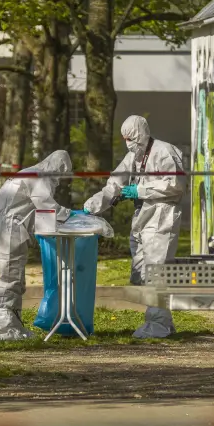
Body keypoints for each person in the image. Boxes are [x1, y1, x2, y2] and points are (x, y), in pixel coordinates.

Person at [84, 115, 186, 338]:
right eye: (125, 139)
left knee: (156, 270)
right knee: (141, 270)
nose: (128, 143)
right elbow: (116, 182)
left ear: (141, 135)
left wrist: (138, 190)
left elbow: (176, 184)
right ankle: (164, 322)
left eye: (131, 138)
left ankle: (158, 325)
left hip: (162, 216)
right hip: (143, 217)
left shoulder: (164, 152)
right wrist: (94, 205)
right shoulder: (134, 156)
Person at [0, 150, 79, 341]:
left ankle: (12, 324)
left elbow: (37, 213)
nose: (59, 180)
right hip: (8, 229)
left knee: (14, 276)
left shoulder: (29, 174)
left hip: (1, 227)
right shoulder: (38, 177)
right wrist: (71, 215)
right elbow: (47, 205)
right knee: (10, 276)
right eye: (60, 173)